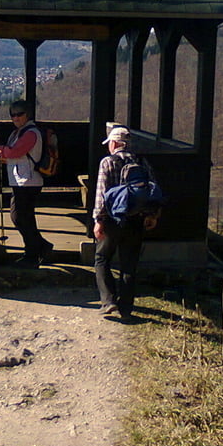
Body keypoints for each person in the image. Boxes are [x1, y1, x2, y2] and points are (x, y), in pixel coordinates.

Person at [92, 126, 159, 320]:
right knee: (129, 265)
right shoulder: (142, 162)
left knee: (102, 258)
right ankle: (126, 308)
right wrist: (152, 215)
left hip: (113, 221)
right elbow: (153, 189)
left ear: (114, 143)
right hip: (136, 220)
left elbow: (101, 194)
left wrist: (98, 220)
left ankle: (108, 301)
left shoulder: (108, 162)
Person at [0, 100, 53, 267]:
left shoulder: (30, 133)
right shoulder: (19, 133)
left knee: (20, 217)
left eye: (19, 113)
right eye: (12, 114)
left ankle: (34, 252)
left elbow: (14, 152)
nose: (15, 117)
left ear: (27, 114)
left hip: (28, 181)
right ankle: (38, 248)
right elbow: (15, 155)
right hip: (22, 180)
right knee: (24, 218)